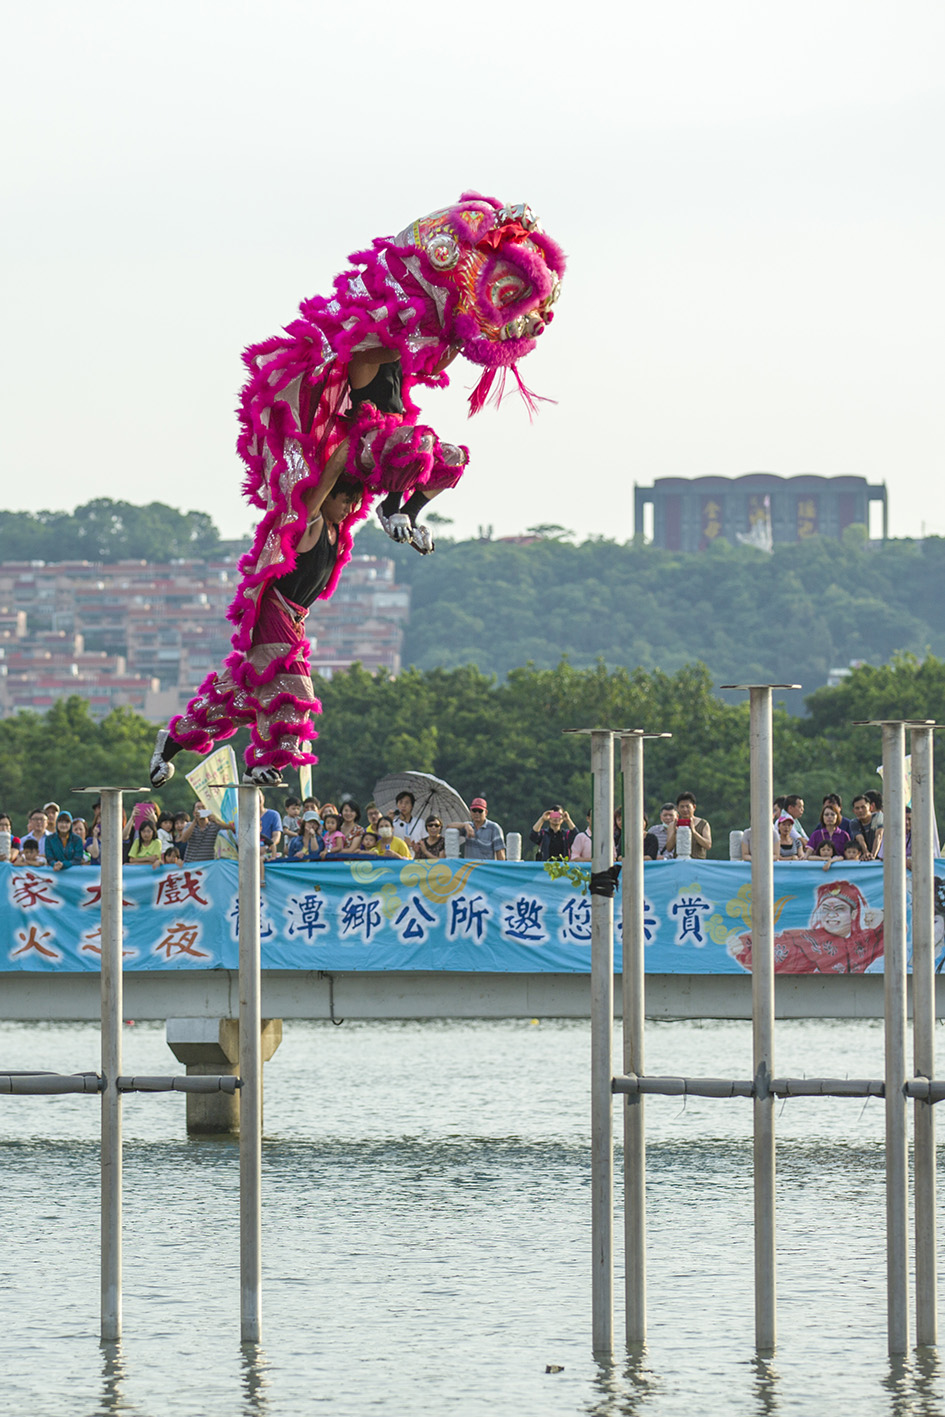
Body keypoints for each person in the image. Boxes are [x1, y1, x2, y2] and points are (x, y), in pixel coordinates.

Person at [149, 469, 366, 789]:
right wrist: (343, 445)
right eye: (346, 500)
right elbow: (329, 473)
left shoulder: (339, 531)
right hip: (272, 613)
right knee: (296, 690)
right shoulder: (312, 521)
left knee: (242, 697)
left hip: (294, 620)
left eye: (356, 502)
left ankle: (171, 744)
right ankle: (262, 762)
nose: (351, 508)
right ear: (329, 494)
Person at [733, 879, 884, 973]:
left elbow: (896, 934)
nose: (831, 915)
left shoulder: (863, 942)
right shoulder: (807, 940)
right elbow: (776, 948)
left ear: (853, 914)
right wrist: (745, 946)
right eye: (826, 909)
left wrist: (883, 915)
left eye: (839, 909)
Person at [664, 793, 712, 859]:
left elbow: (708, 845)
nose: (685, 809)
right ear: (677, 808)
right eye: (682, 807)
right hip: (679, 862)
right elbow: (669, 848)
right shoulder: (672, 825)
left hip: (698, 862)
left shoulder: (703, 824)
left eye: (687, 806)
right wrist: (675, 833)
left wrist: (694, 831)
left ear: (694, 807)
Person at [850, 794, 882, 859]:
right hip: (864, 857)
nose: (860, 810)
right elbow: (860, 840)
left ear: (870, 808)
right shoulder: (854, 822)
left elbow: (878, 836)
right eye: (857, 808)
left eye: (863, 807)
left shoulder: (879, 817)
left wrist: (873, 855)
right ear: (853, 811)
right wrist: (866, 853)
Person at [259, 792, 283, 859]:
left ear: (263, 798)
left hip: (267, 853)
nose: (257, 799)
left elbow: (276, 837)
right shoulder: (245, 816)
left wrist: (265, 848)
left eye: (259, 797)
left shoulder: (274, 815)